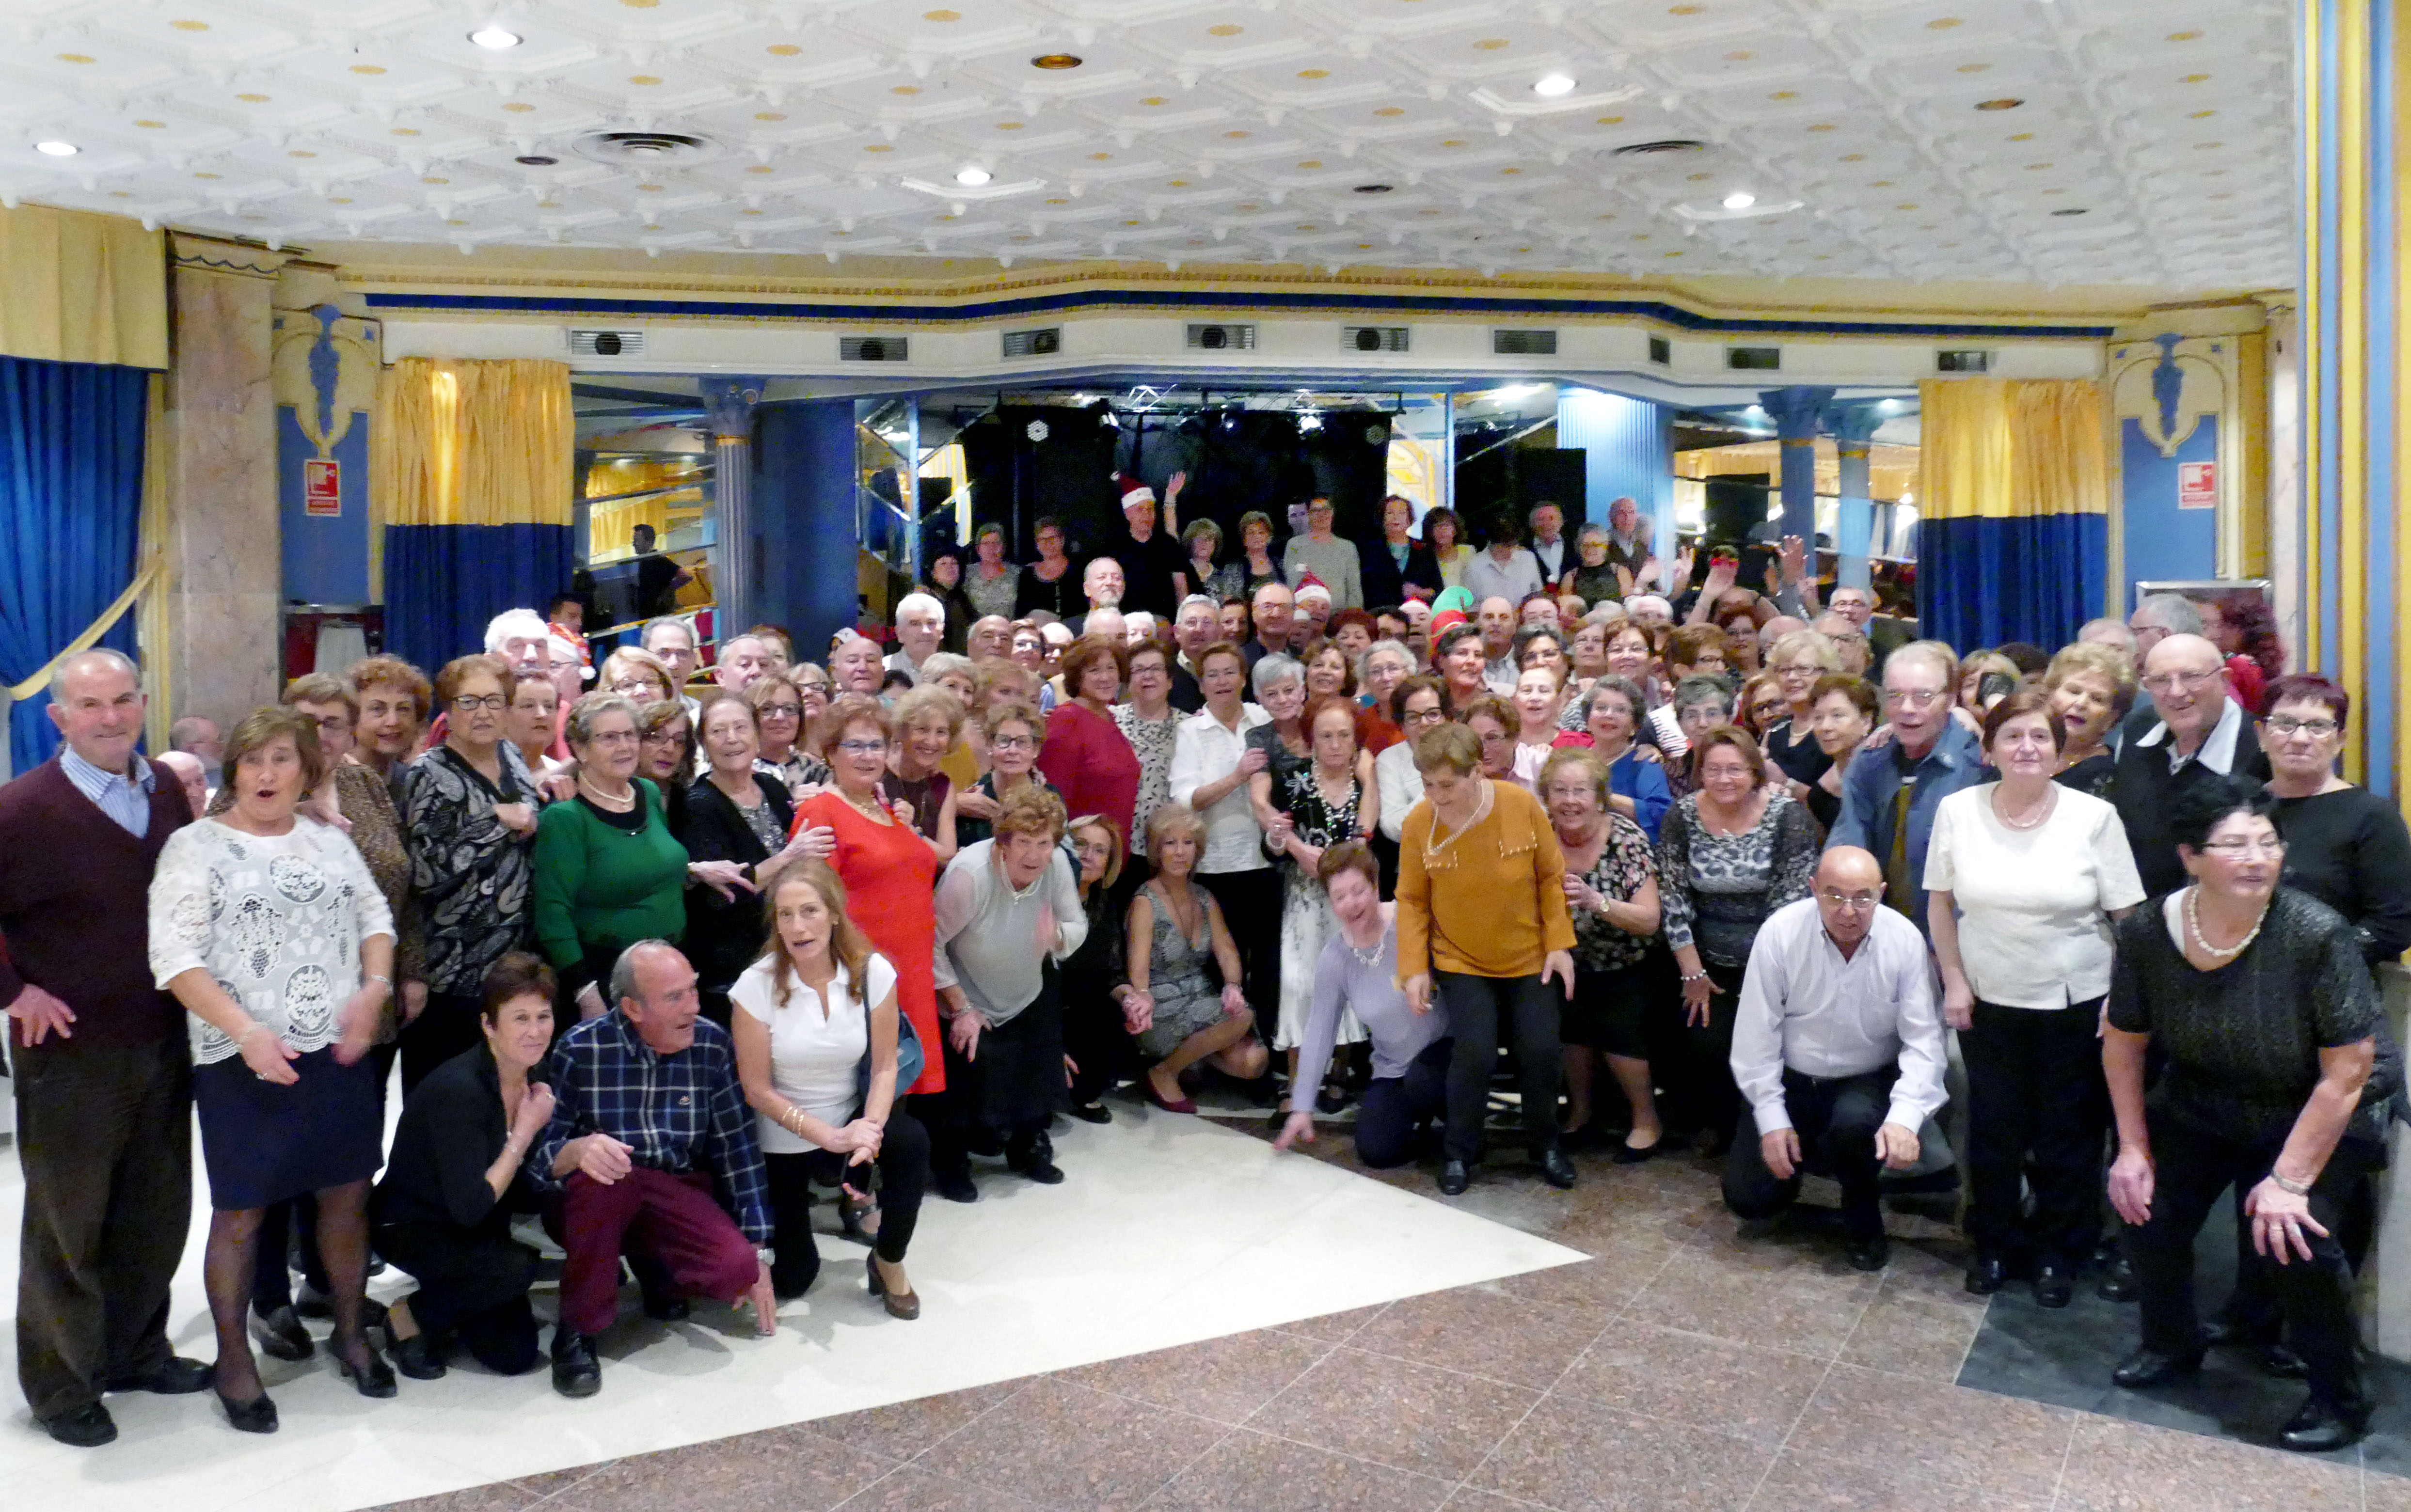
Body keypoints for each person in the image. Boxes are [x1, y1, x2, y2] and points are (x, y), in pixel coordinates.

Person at [2104, 778, 2392, 1453]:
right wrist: (2132, 1148)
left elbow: (2349, 1070)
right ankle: (2170, 1343)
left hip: (2309, 1109)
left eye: (2268, 843)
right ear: (2190, 857)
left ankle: (2341, 1398)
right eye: (2234, 844)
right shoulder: (2148, 931)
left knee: (2295, 1239)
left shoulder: (2315, 933)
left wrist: (2289, 1181)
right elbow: (2123, 1041)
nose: (2257, 858)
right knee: (2146, 1208)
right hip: (2200, 1099)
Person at [148, 706, 398, 1431]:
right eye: (252, 760)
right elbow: (174, 957)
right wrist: (246, 1032)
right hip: (243, 1057)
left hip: (336, 1049)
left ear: (306, 771)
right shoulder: (195, 847)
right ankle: (234, 1360)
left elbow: (376, 918)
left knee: (346, 1196)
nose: (266, 774)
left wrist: (374, 990)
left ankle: (349, 1333)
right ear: (233, 771)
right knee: (242, 1212)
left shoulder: (327, 840)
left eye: (282, 759)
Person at [1, 650, 208, 1448]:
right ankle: (62, 1386)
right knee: (69, 1223)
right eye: (90, 705)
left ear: (144, 704)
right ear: (59, 717)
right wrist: (13, 993)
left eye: (123, 699)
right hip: (70, 1054)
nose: (110, 717)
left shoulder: (164, 791)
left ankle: (135, 1352)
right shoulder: (22, 809)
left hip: (162, 1037)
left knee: (154, 1210)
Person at [1925, 693, 2144, 1305]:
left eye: (2040, 737)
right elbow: (1940, 903)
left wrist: (2121, 999)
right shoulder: (1958, 810)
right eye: (2013, 736)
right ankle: (1994, 1245)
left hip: (2076, 1000)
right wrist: (1954, 980)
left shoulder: (2093, 817)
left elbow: (2130, 918)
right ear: (1989, 749)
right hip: (1988, 998)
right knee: (1993, 1131)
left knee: (2066, 1136)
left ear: (2058, 750)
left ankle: (2058, 1253)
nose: (2027, 748)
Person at [533, 941, 777, 1395]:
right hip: (598, 1197)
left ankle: (653, 1267)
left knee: (735, 1269)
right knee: (605, 1177)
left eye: (693, 990)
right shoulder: (580, 1048)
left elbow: (738, 1148)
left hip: (674, 1189)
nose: (693, 1007)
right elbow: (540, 1157)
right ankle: (577, 1329)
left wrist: (759, 1249)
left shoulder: (711, 1045)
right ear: (632, 1008)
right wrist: (577, 1150)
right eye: (674, 997)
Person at [1723, 847, 1947, 1272]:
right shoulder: (1780, 934)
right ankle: (1806, 1152)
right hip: (1792, 1077)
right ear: (1813, 890)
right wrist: (1771, 1118)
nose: (1848, 912)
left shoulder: (1904, 940)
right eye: (1835, 896)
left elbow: (1924, 1041)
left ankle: (1863, 1211)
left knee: (1855, 1126)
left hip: (1864, 1079)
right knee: (1750, 1199)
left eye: (1863, 898)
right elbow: (1756, 1036)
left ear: (1881, 894)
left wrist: (1906, 1117)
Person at [730, 864, 928, 1313]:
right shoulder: (755, 986)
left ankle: (889, 1260)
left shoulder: (873, 971)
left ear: (835, 913)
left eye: (809, 911)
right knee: (795, 1278)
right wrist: (830, 1138)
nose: (797, 927)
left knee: (910, 1141)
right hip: (782, 1133)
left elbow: (885, 1067)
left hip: (851, 1115)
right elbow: (757, 1090)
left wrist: (869, 1131)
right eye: (785, 915)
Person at [1395, 722, 1579, 1196]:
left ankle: (1546, 1145)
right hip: (1461, 958)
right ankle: (1460, 1152)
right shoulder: (1420, 823)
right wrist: (1413, 968)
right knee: (1474, 1052)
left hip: (1528, 954)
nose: (1437, 796)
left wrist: (1558, 944)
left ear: (1476, 772)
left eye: (1447, 785)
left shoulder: (1520, 805)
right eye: (1428, 785)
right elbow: (1412, 900)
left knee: (1541, 1049)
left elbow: (1550, 876)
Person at [372, 954, 558, 1381]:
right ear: (489, 1025)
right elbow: (471, 1206)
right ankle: (407, 1315)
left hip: (474, 1226)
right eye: (520, 1019)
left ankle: (453, 1298)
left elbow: (521, 1189)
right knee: (517, 1267)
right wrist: (524, 1133)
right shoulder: (461, 1090)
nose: (535, 1032)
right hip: (413, 1226)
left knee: (515, 1355)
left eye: (543, 1017)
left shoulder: (536, 1074)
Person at [1659, 727, 1819, 1155]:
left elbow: (1790, 908)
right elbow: (1674, 898)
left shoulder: (1788, 817)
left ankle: (1773, 1131)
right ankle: (1721, 1127)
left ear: (1754, 771)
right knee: (1704, 1040)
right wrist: (1692, 972)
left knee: (1767, 1041)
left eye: (1735, 769)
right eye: (1713, 770)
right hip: (1707, 962)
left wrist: (1763, 984)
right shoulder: (1682, 816)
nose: (1724, 779)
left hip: (1776, 963)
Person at [791, 695, 947, 1107]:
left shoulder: (884, 807)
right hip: (862, 975)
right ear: (831, 753)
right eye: (855, 745)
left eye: (876, 745)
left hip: (909, 969)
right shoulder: (820, 811)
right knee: (871, 1097)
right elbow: (809, 908)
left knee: (899, 1089)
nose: (868, 755)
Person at [931, 787, 1086, 1197]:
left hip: (1025, 986)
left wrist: (1055, 936)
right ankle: (951, 1162)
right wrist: (961, 1007)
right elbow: (930, 943)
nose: (1035, 855)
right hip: (964, 992)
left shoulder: (1056, 865)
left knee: (1038, 1060)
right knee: (968, 1067)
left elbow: (1077, 924)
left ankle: (1028, 1147)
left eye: (1044, 843)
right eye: (1023, 842)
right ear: (1003, 841)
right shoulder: (970, 876)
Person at [404, 656, 543, 1092]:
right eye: (468, 702)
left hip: (511, 967)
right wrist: (494, 823)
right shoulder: (428, 773)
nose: (483, 713)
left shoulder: (511, 755)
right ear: (448, 710)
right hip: (453, 970)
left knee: (506, 1098)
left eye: (494, 701)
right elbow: (424, 872)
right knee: (447, 1100)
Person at [534, 694, 711, 1022]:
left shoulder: (649, 792)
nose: (625, 747)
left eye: (630, 735)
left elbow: (650, 863)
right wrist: (586, 994)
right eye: (609, 738)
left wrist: (694, 870)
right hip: (610, 976)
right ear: (581, 749)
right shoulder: (565, 818)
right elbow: (552, 916)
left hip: (673, 961)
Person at [1273, 843, 1452, 1167]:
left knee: (1425, 1081)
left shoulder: (1408, 920)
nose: (1351, 904)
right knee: (1376, 1151)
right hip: (1393, 1067)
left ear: (1376, 885)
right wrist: (1302, 1106)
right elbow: (1319, 1031)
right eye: (1340, 896)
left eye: (1358, 891)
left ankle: (1460, 1128)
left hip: (1446, 1053)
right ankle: (1426, 1133)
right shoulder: (1335, 957)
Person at [1540, 748, 1664, 1159]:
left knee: (1617, 1026)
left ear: (1599, 798)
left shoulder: (1626, 839)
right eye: (1560, 791)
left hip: (1627, 961)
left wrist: (1597, 902)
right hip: (1565, 960)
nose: (1570, 801)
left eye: (1580, 791)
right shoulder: (1540, 835)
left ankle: (1646, 1120)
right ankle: (1581, 1112)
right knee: (1569, 1031)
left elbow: (1649, 919)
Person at [679, 693, 826, 1026]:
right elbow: (724, 895)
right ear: (704, 743)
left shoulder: (771, 786)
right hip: (735, 966)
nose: (731, 739)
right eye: (718, 731)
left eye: (741, 727)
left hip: (787, 949)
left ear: (757, 736)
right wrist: (789, 856)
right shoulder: (699, 804)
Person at [1265, 695, 1376, 1106]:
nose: (1334, 744)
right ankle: (1298, 1084)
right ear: (1311, 739)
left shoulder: (1365, 783)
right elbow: (1271, 845)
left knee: (1347, 983)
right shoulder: (1290, 778)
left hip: (1351, 903)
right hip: (1305, 899)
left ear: (1355, 739)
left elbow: (1372, 837)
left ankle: (1339, 1070)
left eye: (1343, 735)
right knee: (1300, 985)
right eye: (1325, 736)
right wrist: (1288, 844)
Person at [1124, 806, 1272, 1111]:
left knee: (1255, 1061)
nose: (1180, 852)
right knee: (1243, 1017)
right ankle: (1164, 1072)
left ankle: (1190, 1061)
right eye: (1170, 843)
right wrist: (1142, 998)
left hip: (1201, 1001)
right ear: (1156, 851)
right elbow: (1137, 972)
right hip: (1160, 1007)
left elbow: (1227, 951)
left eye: (1188, 842)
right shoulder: (1145, 901)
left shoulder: (1204, 897)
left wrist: (1233, 986)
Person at [1829, 641, 1985, 929]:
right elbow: (1849, 845)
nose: (1907, 709)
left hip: (1959, 933)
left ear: (1951, 700)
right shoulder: (1869, 762)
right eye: (1895, 696)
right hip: (1881, 931)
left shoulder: (1978, 763)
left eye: (1924, 697)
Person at [1169, 643, 1280, 1015]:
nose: (1221, 681)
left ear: (1244, 679)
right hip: (1216, 867)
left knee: (1269, 963)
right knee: (1221, 967)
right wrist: (1237, 777)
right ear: (1201, 685)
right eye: (1212, 675)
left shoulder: (1265, 719)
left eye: (1229, 672)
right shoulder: (1191, 731)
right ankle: (1228, 1042)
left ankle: (1268, 1043)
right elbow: (1185, 800)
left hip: (1268, 861)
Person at [1035, 636, 1142, 853]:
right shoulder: (1066, 720)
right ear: (1077, 677)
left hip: (1113, 853)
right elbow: (1053, 802)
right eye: (1094, 670)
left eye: (1111, 668)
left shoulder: (1109, 717)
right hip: (1081, 854)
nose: (1106, 677)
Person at [1060, 814, 1130, 1121]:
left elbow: (1112, 973)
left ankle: (1081, 1092)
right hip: (1037, 1010)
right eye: (1081, 845)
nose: (1088, 855)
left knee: (1113, 1012)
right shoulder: (1044, 895)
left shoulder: (1105, 903)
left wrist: (1131, 997)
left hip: (1078, 1013)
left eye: (1100, 850)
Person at [1556, 677, 1674, 844]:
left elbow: (1663, 814)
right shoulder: (1573, 762)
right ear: (1587, 720)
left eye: (1620, 710)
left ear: (1635, 725)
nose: (1609, 715)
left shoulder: (1643, 763)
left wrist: (1603, 797)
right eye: (1601, 708)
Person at [1111, 638, 1183, 859]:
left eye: (1156, 669)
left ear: (1170, 681)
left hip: (1169, 846)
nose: (1148, 676)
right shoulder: (1108, 720)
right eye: (1139, 670)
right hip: (1116, 842)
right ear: (1127, 682)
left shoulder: (1190, 727)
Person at [2043, 641, 2133, 798]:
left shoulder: (2106, 776)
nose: (2081, 703)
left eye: (2097, 699)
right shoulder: (2024, 749)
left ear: (2112, 717)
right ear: (2049, 694)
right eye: (2074, 691)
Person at [883, 684, 963, 856]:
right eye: (922, 730)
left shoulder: (943, 785)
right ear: (901, 731)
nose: (932, 741)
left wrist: (912, 832)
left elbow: (947, 855)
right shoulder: (877, 774)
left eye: (941, 732)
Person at [1760, 629, 1841, 795]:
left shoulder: (1837, 728)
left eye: (1803, 669)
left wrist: (1786, 783)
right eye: (1784, 670)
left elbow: (1833, 802)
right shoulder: (1776, 729)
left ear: (1827, 673)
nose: (1791, 677)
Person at [1804, 675, 1878, 832]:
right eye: (1818, 718)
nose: (1825, 727)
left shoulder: (1888, 772)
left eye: (1837, 715)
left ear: (1866, 722)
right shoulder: (1820, 796)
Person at [350, 654, 432, 784]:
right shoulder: (329, 782)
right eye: (377, 709)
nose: (393, 721)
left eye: (403, 709)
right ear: (351, 717)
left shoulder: (415, 782)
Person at [1281, 496, 1364, 610]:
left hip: (1340, 616)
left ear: (1332, 513)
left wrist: (1353, 616)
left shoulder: (1348, 547)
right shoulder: (1295, 545)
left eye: (1326, 510)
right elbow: (1292, 584)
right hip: (1305, 614)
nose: (1322, 514)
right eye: (1316, 511)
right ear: (1309, 515)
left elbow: (1355, 590)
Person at [1362, 493, 1440, 608]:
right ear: (1382, 519)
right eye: (1390, 513)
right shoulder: (1371, 550)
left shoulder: (1424, 549)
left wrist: (1419, 592)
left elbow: (1438, 589)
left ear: (1410, 519)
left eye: (1402, 513)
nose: (1396, 517)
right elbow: (1366, 588)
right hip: (1382, 612)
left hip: (1416, 612)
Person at [1460, 519, 1546, 607]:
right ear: (1492, 544)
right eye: (1505, 547)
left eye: (1513, 546)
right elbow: (1469, 607)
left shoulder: (1528, 558)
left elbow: (1538, 595)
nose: (1510, 552)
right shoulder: (1474, 566)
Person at [1013, 516, 1079, 621]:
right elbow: (1021, 614)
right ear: (1037, 544)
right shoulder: (1027, 576)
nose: (1048, 543)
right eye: (1042, 540)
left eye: (1052, 538)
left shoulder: (1078, 570)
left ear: (1062, 540)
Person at [506, 669, 560, 779]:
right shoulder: (481, 774)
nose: (542, 714)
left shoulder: (558, 772)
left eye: (549, 706)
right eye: (529, 706)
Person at [642, 619, 703, 717]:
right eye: (663, 653)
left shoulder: (701, 716)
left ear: (694, 661)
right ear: (643, 658)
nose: (674, 663)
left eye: (682, 654)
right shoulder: (627, 717)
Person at [884, 593, 947, 687]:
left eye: (931, 623)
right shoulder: (883, 670)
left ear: (942, 631)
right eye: (915, 624)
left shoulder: (956, 672)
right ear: (899, 633)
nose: (925, 631)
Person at [1243, 580, 1300, 667]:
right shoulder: (1240, 660)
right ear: (1254, 613)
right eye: (1267, 607)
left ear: (1294, 612)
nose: (1276, 615)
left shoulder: (1302, 659)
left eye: (1284, 607)